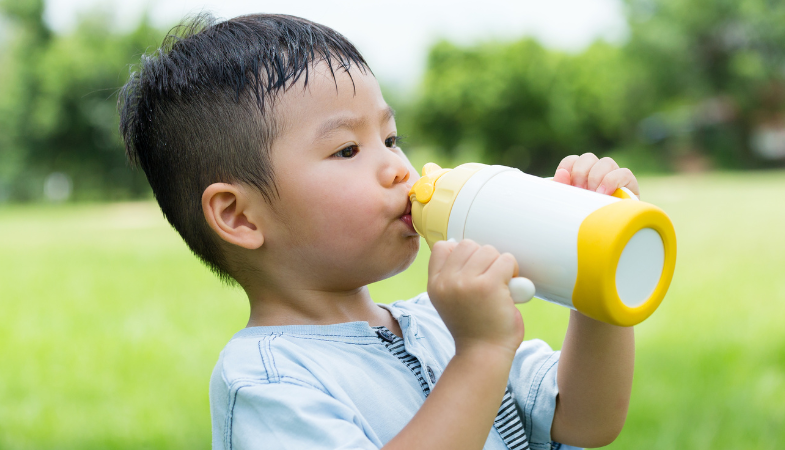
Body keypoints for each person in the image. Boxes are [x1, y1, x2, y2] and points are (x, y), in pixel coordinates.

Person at [118, 13, 639, 450]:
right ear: (239, 217)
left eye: (391, 138)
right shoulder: (268, 381)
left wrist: (592, 269)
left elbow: (586, 420)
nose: (397, 168)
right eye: (347, 149)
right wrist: (479, 355)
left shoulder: (441, 321)